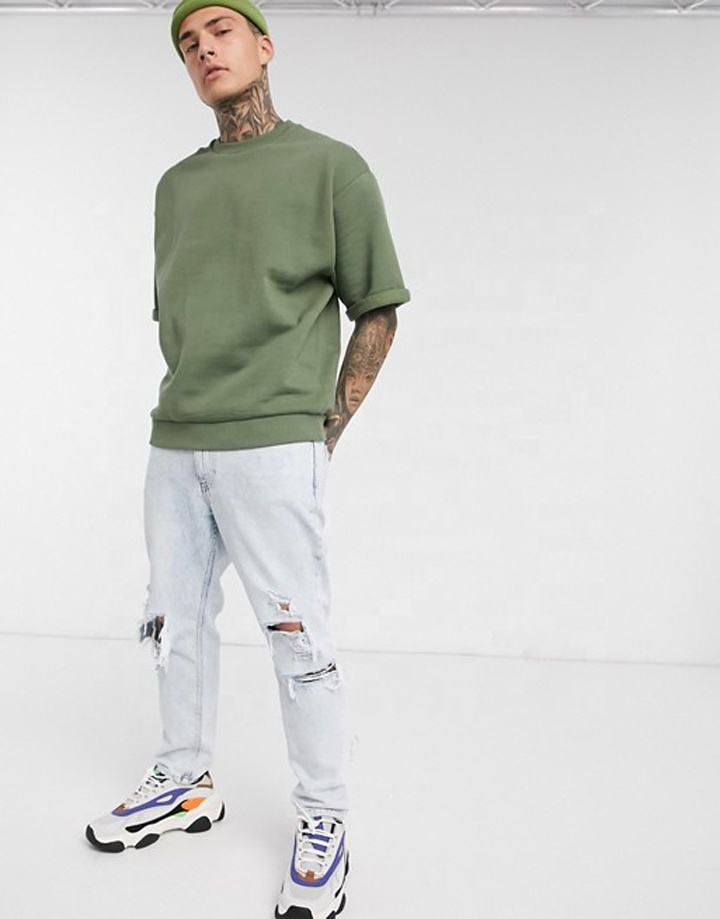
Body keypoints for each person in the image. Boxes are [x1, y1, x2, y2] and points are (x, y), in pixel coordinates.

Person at [84, 2, 411, 917]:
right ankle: (186, 780)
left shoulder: (332, 167)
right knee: (173, 623)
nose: (204, 51)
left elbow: (378, 308)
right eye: (188, 44)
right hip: (176, 441)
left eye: (220, 31)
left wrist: (321, 431)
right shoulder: (175, 187)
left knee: (297, 637)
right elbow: (184, 321)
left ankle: (324, 816)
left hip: (274, 443)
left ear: (264, 46)